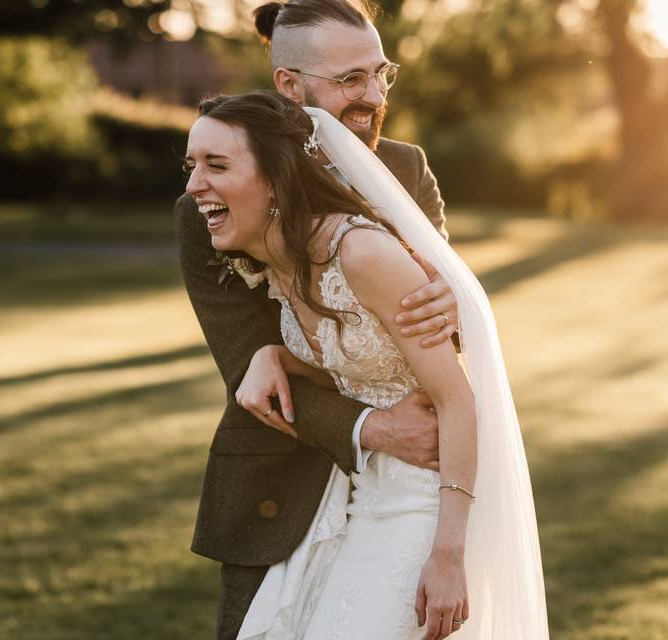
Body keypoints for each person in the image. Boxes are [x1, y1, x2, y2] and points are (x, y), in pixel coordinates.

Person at [183, 91, 547, 638]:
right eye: (191, 166)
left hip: (428, 508)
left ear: (275, 179)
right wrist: (275, 356)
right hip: (361, 501)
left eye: (217, 164)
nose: (193, 186)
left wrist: (448, 556)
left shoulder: (363, 255)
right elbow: (353, 364)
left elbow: (458, 400)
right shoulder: (276, 264)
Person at [174, 0, 460, 638]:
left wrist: (454, 301)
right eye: (352, 79)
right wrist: (374, 428)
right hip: (285, 476)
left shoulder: (407, 170)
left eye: (381, 73)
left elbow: (448, 328)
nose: (374, 95)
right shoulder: (211, 200)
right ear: (289, 84)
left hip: (415, 491)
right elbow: (248, 368)